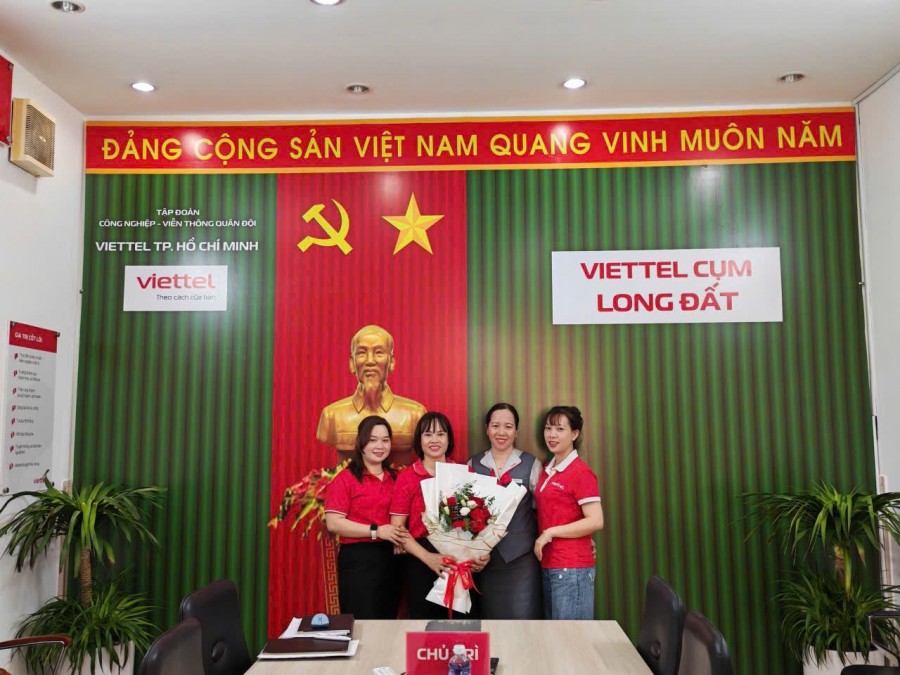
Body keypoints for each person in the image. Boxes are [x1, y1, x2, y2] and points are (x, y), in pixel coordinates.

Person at [390, 412, 486, 619]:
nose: (434, 440)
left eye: (440, 434)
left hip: (459, 558)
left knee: (462, 624)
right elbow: (397, 529)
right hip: (421, 558)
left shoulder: (464, 472)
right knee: (424, 625)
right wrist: (428, 558)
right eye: (428, 434)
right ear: (419, 440)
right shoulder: (407, 477)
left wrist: (480, 553)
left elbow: (477, 522)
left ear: (449, 439)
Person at [324, 416, 408, 619]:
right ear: (360, 442)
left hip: (393, 559)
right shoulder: (346, 479)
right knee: (362, 624)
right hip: (359, 560)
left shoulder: (397, 478)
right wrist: (376, 531)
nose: (380, 446)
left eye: (385, 440)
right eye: (372, 440)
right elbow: (334, 523)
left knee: (388, 622)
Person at [468, 402, 543, 619]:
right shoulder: (474, 464)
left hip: (521, 559)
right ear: (487, 429)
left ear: (516, 431)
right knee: (490, 620)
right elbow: (464, 516)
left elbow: (545, 510)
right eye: (495, 426)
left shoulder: (531, 464)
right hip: (484, 561)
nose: (501, 432)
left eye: (508, 427)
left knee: (522, 620)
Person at [317, 325, 426, 467]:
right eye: (362, 353)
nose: (370, 361)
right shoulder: (332, 415)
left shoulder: (415, 414)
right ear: (352, 363)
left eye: (379, 353)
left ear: (391, 363)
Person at [533, 406, 604, 620]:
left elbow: (596, 520)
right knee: (556, 635)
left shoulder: (580, 472)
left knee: (571, 636)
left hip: (572, 569)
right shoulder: (548, 468)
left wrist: (550, 533)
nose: (552, 435)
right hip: (551, 565)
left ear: (574, 434)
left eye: (559, 429)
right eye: (548, 428)